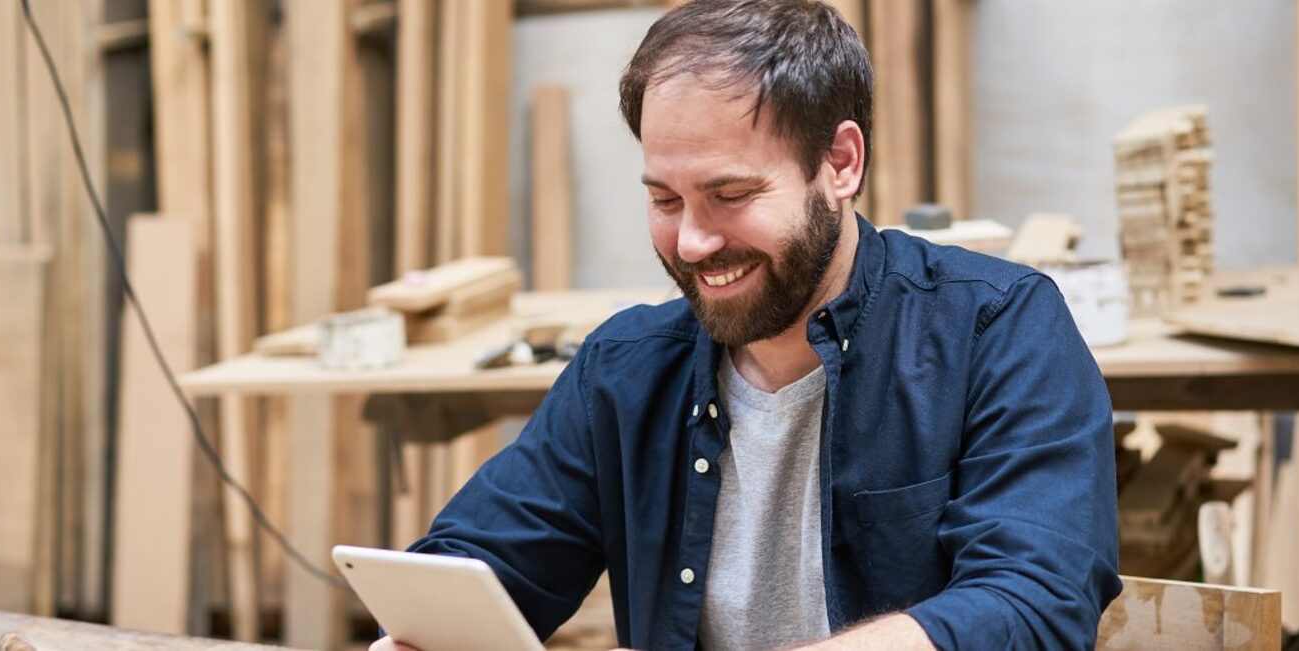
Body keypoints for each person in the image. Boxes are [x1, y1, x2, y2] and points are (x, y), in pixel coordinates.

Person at [374, 1, 1119, 649]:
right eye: (665, 200)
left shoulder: (997, 327)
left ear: (840, 162)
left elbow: (1034, 606)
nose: (693, 242)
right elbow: (474, 567)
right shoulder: (625, 371)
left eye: (729, 194)